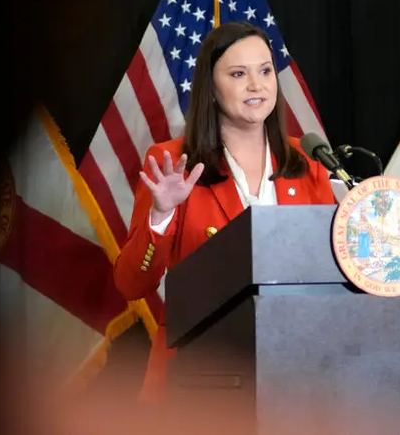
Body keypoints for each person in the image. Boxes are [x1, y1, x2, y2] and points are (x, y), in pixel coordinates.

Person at [113, 21, 336, 402]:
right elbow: (132, 284)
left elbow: (329, 278)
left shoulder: (309, 161)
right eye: (238, 74)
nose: (257, 85)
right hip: (201, 378)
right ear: (211, 89)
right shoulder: (172, 163)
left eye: (265, 71)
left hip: (299, 377)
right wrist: (161, 215)